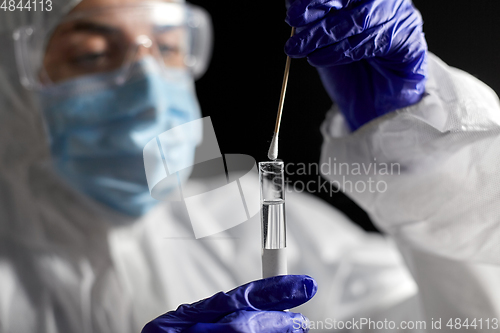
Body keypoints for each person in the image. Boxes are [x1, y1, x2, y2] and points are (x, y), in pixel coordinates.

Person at [0, 1, 499, 333]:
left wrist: (421, 149)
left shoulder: (245, 215)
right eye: (90, 54)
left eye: (168, 48)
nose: (149, 90)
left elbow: (465, 319)